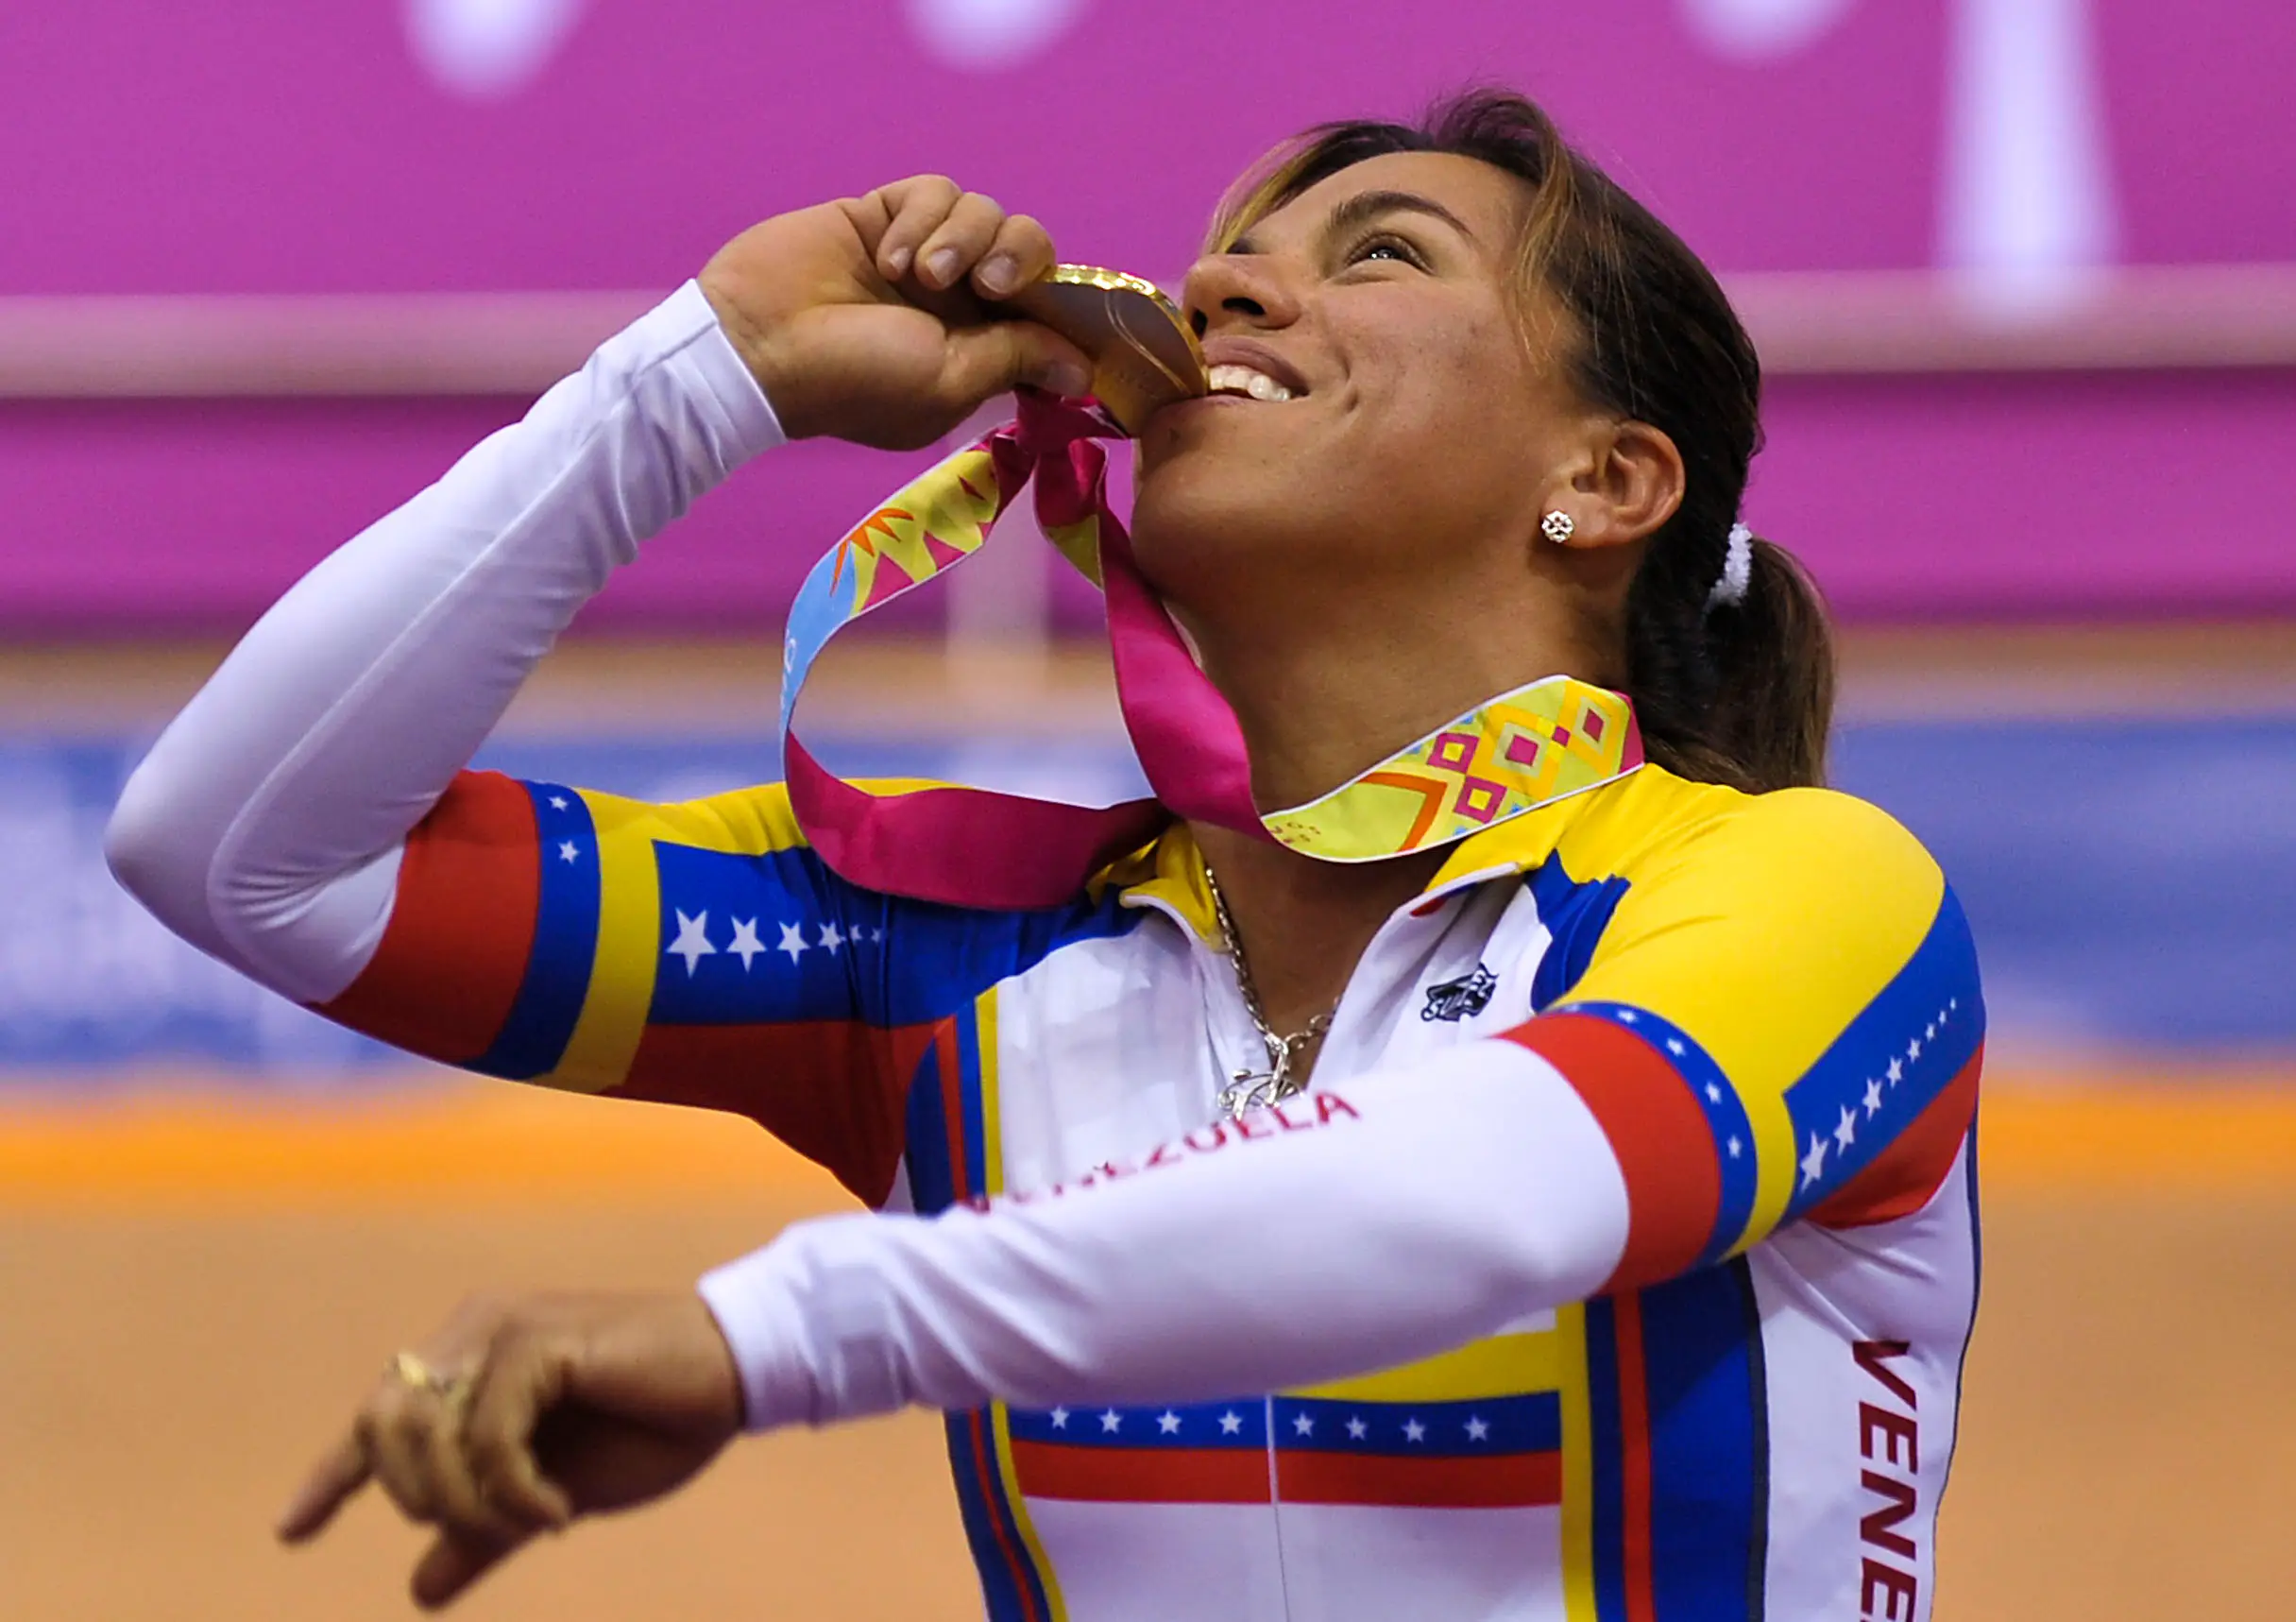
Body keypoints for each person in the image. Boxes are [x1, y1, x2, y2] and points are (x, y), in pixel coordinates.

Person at [109, 90, 1981, 1622]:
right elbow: (243, 854)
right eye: (1236, 250)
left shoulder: (1809, 892)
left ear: (1606, 482)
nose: (1233, 284)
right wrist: (711, 377)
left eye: (1381, 253)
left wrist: (770, 1334)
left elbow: (1488, 1202)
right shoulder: (951, 952)